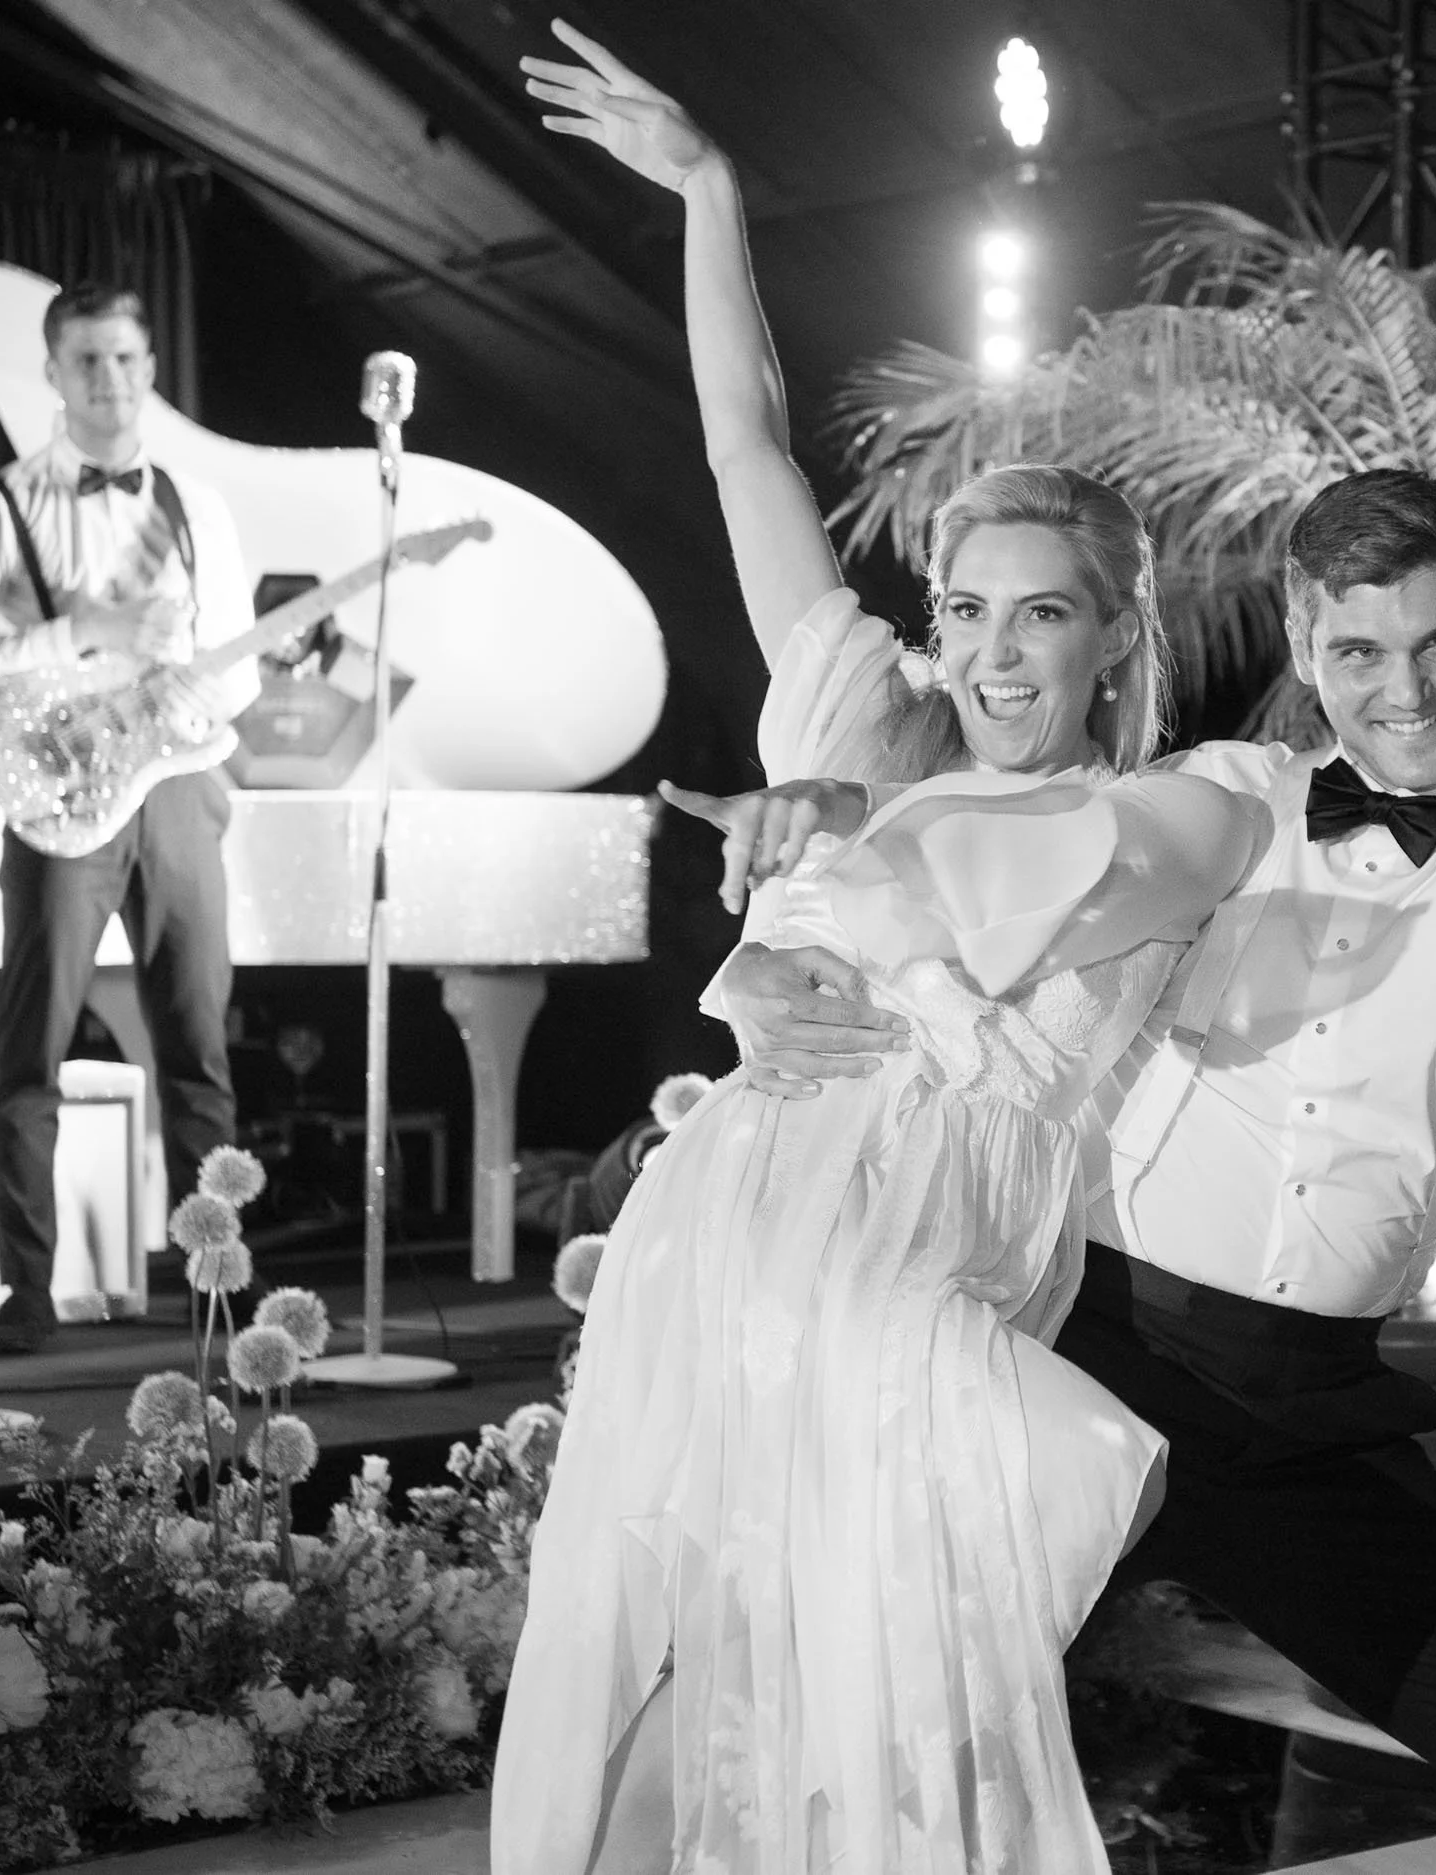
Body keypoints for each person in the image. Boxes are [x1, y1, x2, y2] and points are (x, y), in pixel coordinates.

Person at [499, 28, 1258, 1873]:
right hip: (745, 1224)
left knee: (891, 1736)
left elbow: (982, 888)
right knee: (662, 1657)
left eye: (1044, 619)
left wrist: (847, 851)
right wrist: (711, 193)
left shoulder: (1154, 822)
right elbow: (744, 440)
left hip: (921, 1275)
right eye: (970, 611)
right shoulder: (861, 713)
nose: (996, 656)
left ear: (1110, 644)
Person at [721, 470, 1436, 1875]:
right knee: (876, 1764)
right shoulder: (1239, 795)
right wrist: (837, 861)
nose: (1404, 689)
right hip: (1082, 1358)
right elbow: (1064, 848)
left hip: (1307, 1425)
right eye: (1359, 649)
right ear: (1307, 648)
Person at [0, 282, 256, 1355]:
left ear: (149, 370)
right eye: (87, 362)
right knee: (33, 1057)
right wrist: (79, 635)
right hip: (59, 804)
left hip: (182, 787)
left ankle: (218, 1289)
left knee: (199, 1051)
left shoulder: (198, 509)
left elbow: (235, 671)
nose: (109, 380)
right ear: (54, 375)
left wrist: (189, 693)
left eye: (124, 360)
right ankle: (26, 1298)